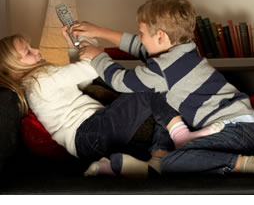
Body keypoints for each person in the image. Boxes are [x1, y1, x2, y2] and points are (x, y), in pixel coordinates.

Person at [70, 0, 254, 179]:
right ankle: (157, 159)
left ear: (160, 37)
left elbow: (120, 81)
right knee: (164, 98)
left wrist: (98, 57)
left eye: (142, 33)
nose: (140, 39)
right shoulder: (186, 50)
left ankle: (248, 163)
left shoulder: (161, 71)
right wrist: (97, 31)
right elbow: (137, 46)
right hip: (246, 127)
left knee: (173, 162)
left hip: (234, 133)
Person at [0, 27, 200, 178]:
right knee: (151, 89)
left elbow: (82, 80)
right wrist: (87, 44)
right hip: (92, 131)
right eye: (27, 52)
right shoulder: (41, 78)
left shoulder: (36, 83)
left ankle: (148, 161)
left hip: (87, 142)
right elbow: (93, 69)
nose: (35, 50)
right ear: (13, 69)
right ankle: (176, 139)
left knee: (159, 104)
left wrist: (74, 47)